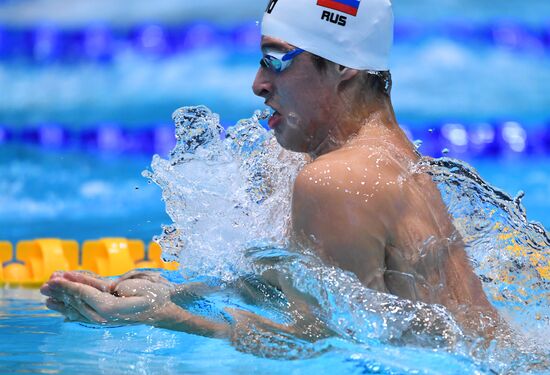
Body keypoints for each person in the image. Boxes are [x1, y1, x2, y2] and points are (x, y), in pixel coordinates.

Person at [41, 0, 503, 344]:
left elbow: (318, 347)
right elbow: (315, 298)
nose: (259, 83)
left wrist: (161, 316)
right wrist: (172, 293)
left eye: (277, 59)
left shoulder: (338, 180)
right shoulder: (379, 156)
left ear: (343, 65)